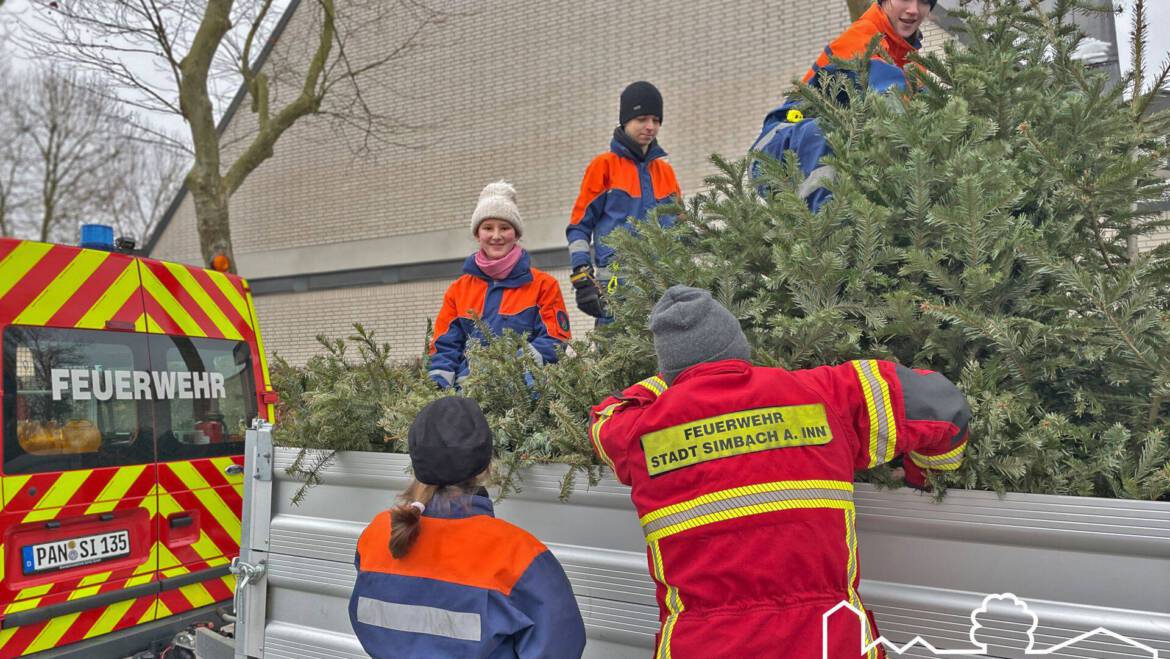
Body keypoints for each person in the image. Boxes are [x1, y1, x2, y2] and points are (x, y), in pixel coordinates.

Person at [588, 285, 971, 658]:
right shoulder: (824, 394)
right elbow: (941, 405)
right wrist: (927, 474)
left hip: (701, 644)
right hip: (828, 640)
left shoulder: (640, 432)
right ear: (739, 348)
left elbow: (606, 417)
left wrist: (677, 386)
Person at [349, 396, 587, 658]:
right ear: (486, 468)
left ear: (416, 462)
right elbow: (560, 646)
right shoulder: (519, 556)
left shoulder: (379, 533)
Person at [751, 0, 936, 210]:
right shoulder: (863, 36)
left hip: (827, 149)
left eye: (923, 1)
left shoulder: (913, 63)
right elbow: (889, 94)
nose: (913, 10)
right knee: (830, 134)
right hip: (778, 148)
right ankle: (823, 226)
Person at [429, 181, 572, 389]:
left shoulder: (544, 285)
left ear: (516, 234)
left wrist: (510, 371)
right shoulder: (457, 291)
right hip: (468, 399)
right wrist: (438, 392)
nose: (496, 236)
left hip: (524, 397)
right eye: (488, 228)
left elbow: (555, 339)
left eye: (504, 228)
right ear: (478, 235)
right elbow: (444, 349)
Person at [566, 81, 682, 325]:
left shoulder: (666, 173)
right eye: (642, 119)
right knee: (614, 351)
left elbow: (683, 228)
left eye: (655, 120)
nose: (650, 127)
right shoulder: (604, 167)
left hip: (664, 289)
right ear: (625, 120)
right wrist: (581, 273)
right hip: (617, 286)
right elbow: (579, 225)